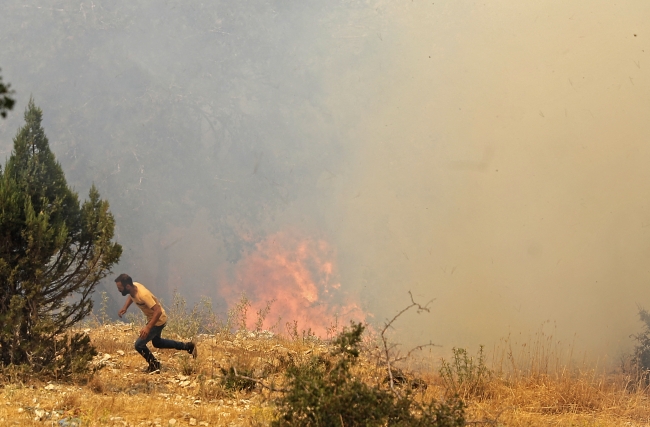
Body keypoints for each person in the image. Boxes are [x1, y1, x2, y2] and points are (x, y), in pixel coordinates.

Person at [114, 273, 197, 372]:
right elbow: (131, 297)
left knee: (139, 345)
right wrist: (125, 308)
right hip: (153, 319)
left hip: (158, 320)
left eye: (120, 288)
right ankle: (188, 346)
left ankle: (154, 365)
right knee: (157, 343)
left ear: (127, 286)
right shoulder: (133, 287)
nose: (118, 290)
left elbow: (158, 311)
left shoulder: (143, 295)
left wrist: (148, 327)